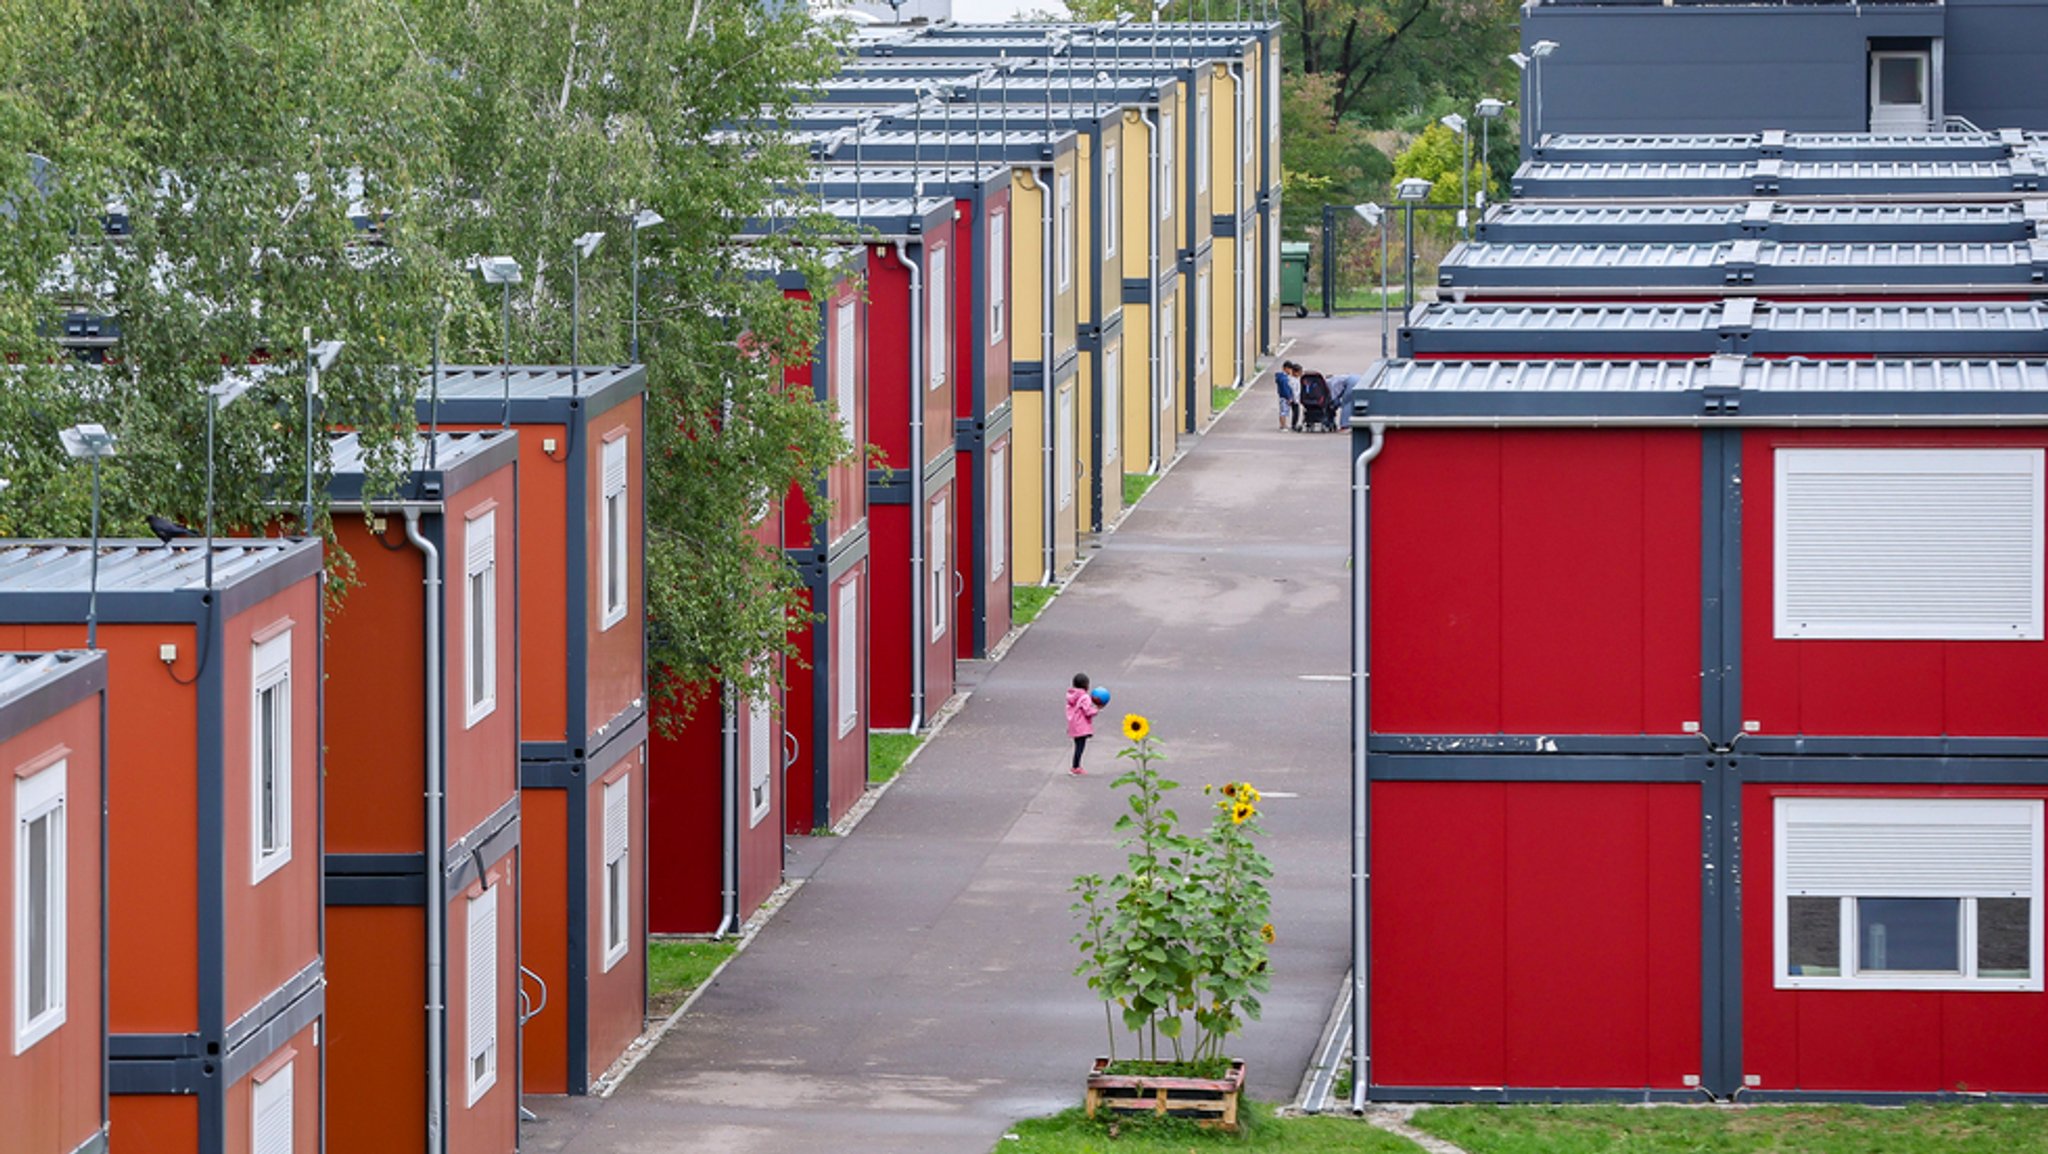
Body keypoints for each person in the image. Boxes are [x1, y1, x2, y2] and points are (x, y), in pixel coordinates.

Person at [1065, 672, 1102, 775]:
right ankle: (1075, 767)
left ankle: (1075, 766)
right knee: (1080, 747)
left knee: (1077, 746)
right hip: (1081, 726)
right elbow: (1088, 711)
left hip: (1073, 725)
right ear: (1086, 685)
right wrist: (1097, 709)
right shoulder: (1085, 697)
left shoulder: (1071, 696)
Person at [1273, 361, 1297, 432]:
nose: (1290, 371)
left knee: (1284, 411)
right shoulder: (1284, 379)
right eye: (1289, 369)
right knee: (1283, 412)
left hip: (1282, 397)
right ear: (1286, 368)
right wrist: (1289, 397)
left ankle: (1283, 425)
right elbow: (1285, 389)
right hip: (1285, 397)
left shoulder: (1281, 377)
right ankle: (1283, 426)